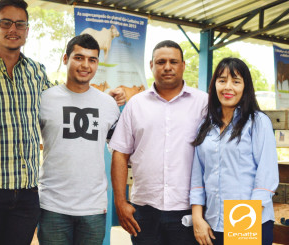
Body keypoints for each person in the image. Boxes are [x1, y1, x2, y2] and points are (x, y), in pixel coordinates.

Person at [0, 1, 125, 244]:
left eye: (20, 24)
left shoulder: (36, 72)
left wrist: (107, 97)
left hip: (27, 196)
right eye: (6, 22)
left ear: (27, 30)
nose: (13, 29)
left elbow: (72, 99)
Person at [109, 40, 208, 245]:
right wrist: (120, 202)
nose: (167, 67)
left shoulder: (203, 103)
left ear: (183, 65)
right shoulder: (136, 104)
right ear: (151, 65)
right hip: (144, 210)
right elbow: (120, 153)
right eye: (161, 61)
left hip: (190, 208)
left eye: (173, 61)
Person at [37, 34, 120, 245]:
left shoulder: (108, 104)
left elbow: (120, 149)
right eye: (79, 58)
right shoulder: (44, 99)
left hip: (93, 207)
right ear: (66, 59)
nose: (85, 65)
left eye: (92, 60)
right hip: (52, 206)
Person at [190, 57, 279, 245]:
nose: (228, 87)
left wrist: (241, 226)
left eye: (236, 81)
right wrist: (198, 218)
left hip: (247, 220)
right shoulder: (205, 127)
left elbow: (266, 178)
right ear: (214, 85)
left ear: (245, 87)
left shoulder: (257, 122)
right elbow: (197, 178)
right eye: (222, 80)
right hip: (212, 223)